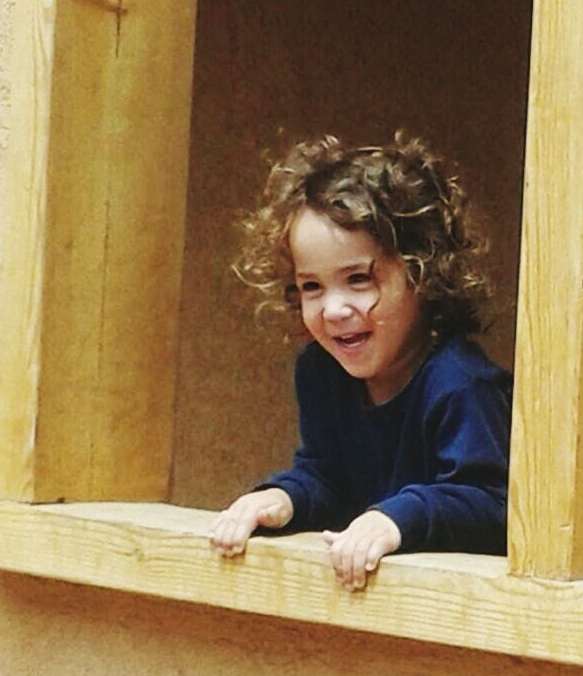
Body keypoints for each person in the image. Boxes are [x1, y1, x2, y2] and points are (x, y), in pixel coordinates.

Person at [209, 132, 512, 590]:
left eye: (357, 280)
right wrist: (283, 499)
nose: (333, 309)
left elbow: (494, 504)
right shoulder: (321, 373)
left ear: (422, 275)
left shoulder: (460, 383)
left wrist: (394, 520)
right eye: (311, 286)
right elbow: (329, 479)